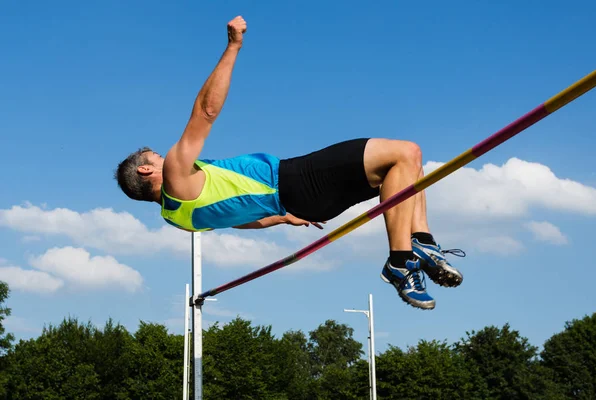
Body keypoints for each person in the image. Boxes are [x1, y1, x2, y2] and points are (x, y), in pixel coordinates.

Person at [114, 16, 464, 310]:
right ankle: (402, 262)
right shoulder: (177, 174)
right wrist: (233, 47)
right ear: (147, 170)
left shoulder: (177, 217)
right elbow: (206, 112)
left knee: (405, 167)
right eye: (155, 156)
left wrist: (283, 217)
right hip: (295, 179)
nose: (164, 155)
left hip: (302, 200)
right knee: (405, 153)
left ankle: (422, 241)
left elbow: (238, 220)